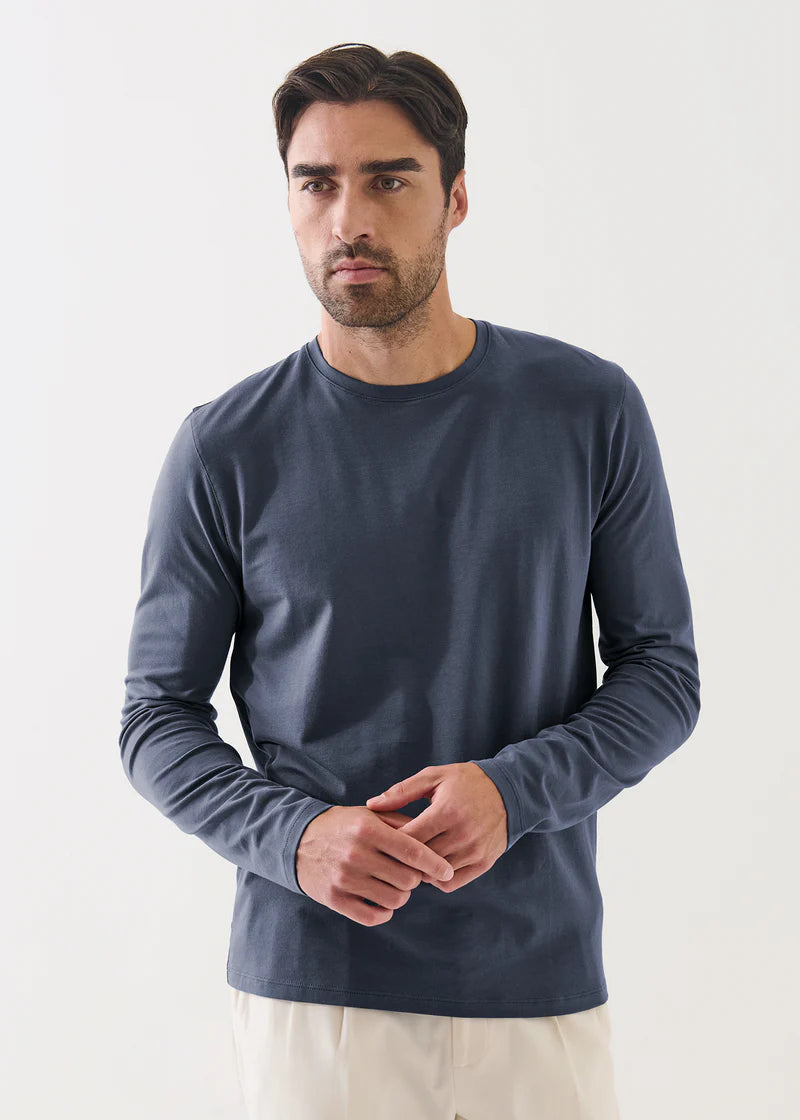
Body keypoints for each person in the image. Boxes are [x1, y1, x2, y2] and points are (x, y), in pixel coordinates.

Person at [119, 40, 701, 1120]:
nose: (349, 218)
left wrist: (513, 792)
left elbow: (662, 674)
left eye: (388, 180)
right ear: (289, 201)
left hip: (537, 982)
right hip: (315, 991)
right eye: (317, 183)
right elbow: (154, 717)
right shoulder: (223, 448)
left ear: (455, 197)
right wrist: (293, 837)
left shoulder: (586, 411)